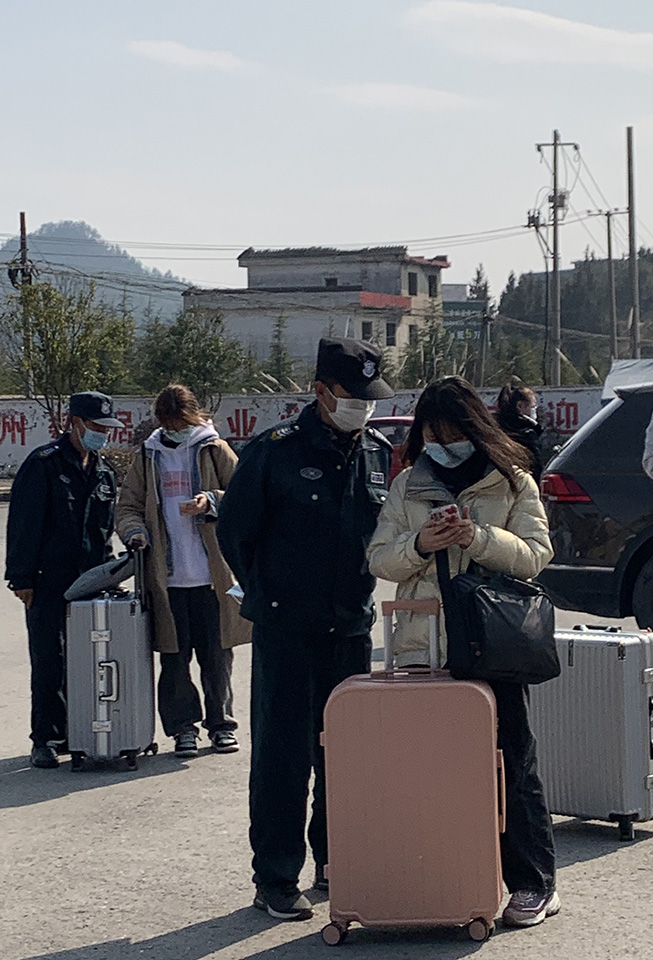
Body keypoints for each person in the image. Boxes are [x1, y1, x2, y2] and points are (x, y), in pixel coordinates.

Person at [367, 375, 559, 930]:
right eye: (433, 433)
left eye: (453, 432)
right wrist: (421, 544)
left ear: (476, 429)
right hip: (425, 646)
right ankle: (443, 877)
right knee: (432, 770)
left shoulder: (512, 481)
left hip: (496, 643)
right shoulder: (408, 484)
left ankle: (532, 882)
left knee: (512, 762)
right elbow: (381, 559)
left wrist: (475, 538)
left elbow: (534, 556)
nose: (442, 443)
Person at [217, 337, 394, 922]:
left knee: (345, 754)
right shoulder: (274, 451)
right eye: (353, 396)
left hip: (349, 630)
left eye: (370, 398)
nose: (363, 407)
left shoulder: (376, 451)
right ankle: (274, 877)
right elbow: (236, 534)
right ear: (321, 392)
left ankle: (334, 860)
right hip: (287, 629)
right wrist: (266, 595)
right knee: (283, 756)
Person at [116, 385, 249, 759]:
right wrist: (135, 532)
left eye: (181, 422)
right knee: (174, 660)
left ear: (193, 416)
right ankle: (183, 729)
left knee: (217, 655)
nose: (175, 428)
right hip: (168, 578)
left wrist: (211, 501)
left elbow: (244, 496)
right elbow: (127, 506)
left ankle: (221, 724)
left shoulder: (214, 448)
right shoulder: (149, 455)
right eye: (169, 423)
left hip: (211, 577)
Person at [5, 391, 122, 768]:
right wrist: (21, 578)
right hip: (47, 579)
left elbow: (103, 532)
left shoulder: (104, 471)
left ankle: (80, 732)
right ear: (74, 423)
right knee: (49, 659)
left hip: (90, 580)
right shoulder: (44, 465)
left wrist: (110, 576)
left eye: (106, 428)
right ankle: (47, 738)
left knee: (88, 658)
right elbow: (23, 525)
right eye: (96, 426)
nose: (102, 433)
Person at [496, 381, 544, 483]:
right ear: (520, 406)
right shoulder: (527, 435)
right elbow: (537, 467)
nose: (535, 410)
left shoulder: (495, 428)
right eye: (533, 406)